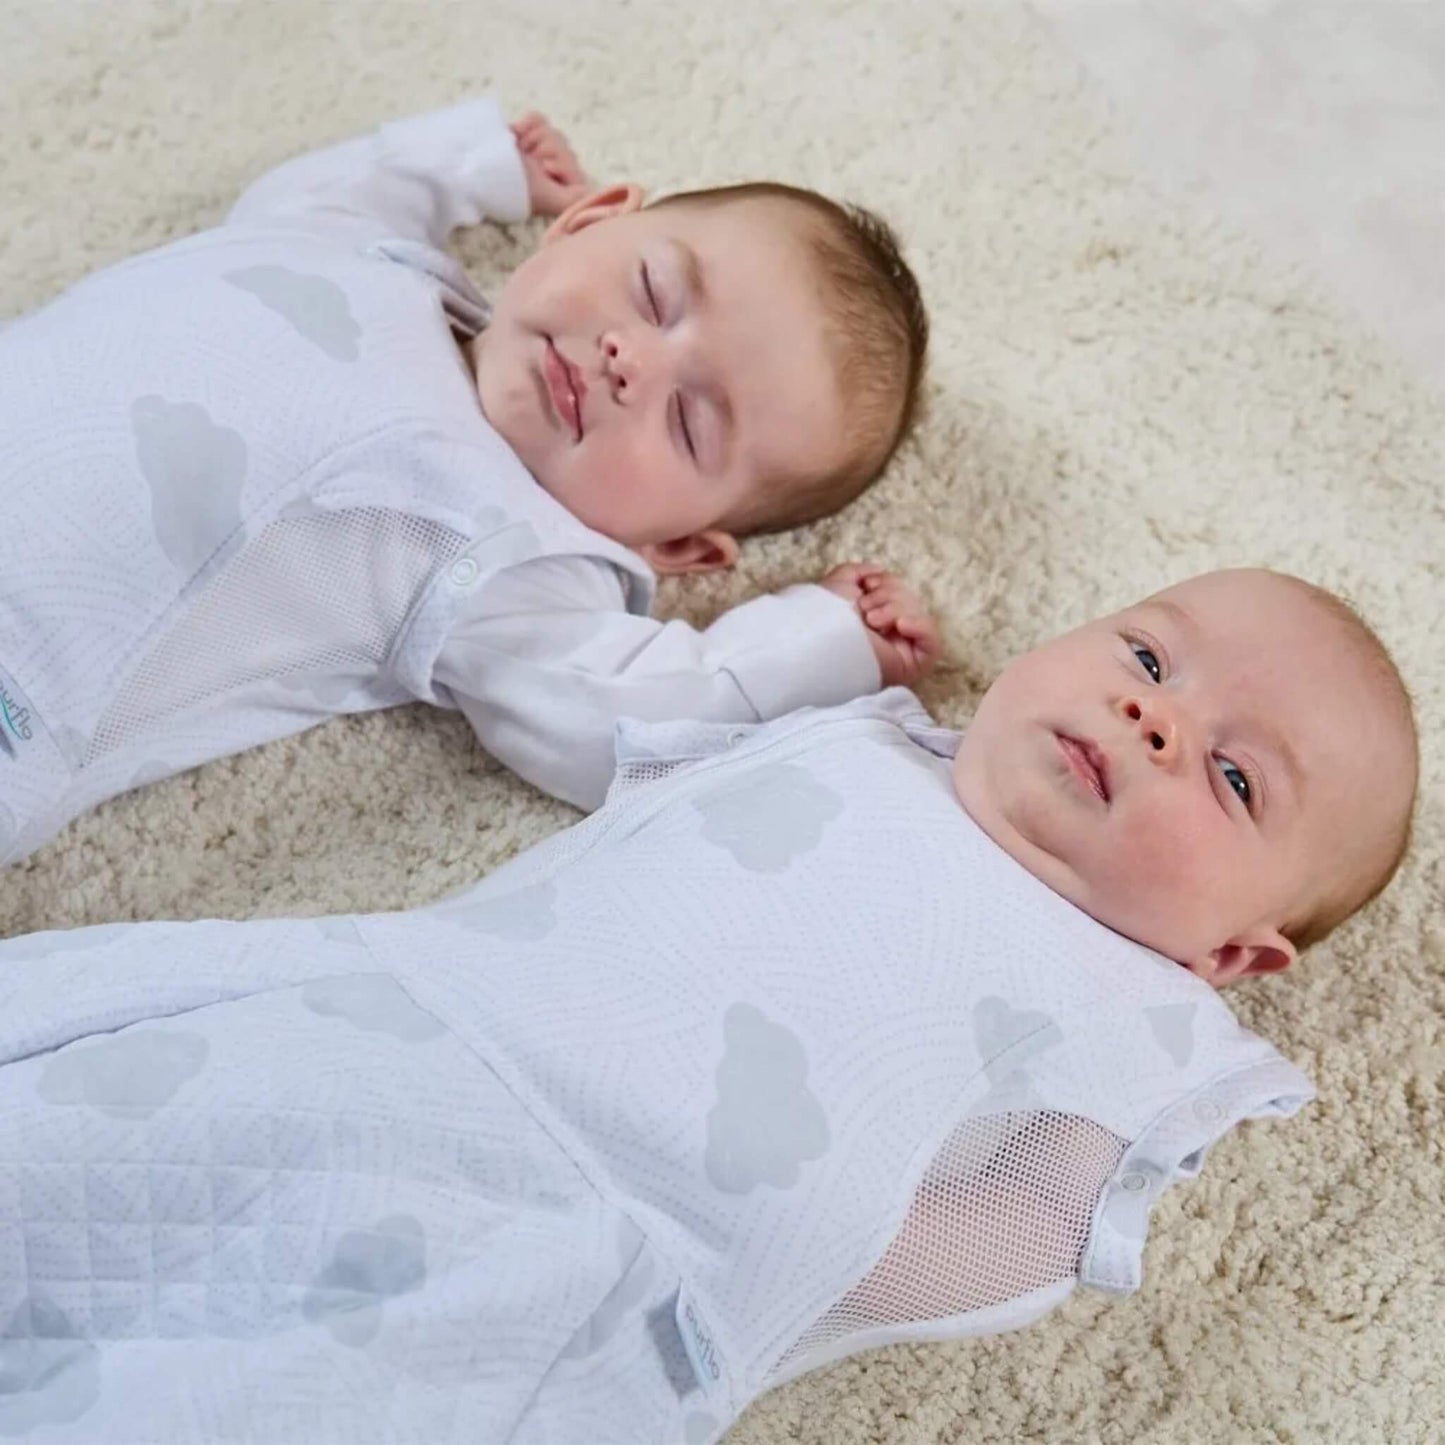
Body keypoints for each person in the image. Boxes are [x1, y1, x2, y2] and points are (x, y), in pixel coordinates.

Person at [0, 567, 1416, 1443]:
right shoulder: (858, 739)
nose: (1155, 722)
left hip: (609, 1237)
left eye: (1234, 779)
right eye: (1147, 658)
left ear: (1239, 952)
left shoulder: (1143, 1009)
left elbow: (1034, 1224)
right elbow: (625, 718)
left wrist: (798, 1239)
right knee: (86, 1141)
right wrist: (820, 633)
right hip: (419, 1017)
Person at [0, 99, 933, 864]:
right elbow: (310, 188)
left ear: (676, 548)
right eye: (652, 293)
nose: (630, 362)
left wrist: (820, 637)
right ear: (589, 221)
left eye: (689, 422)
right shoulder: (375, 249)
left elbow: (611, 719)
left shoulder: (508, 558)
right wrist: (471, 160)